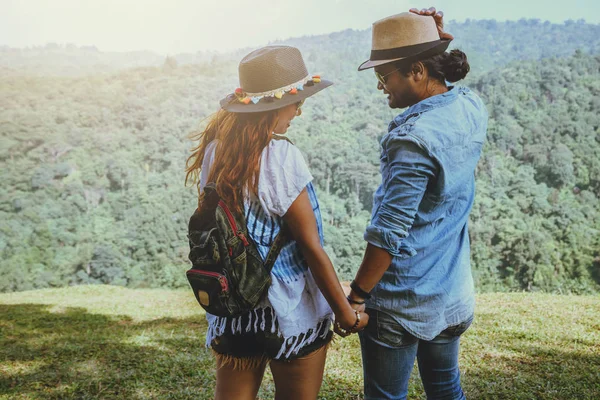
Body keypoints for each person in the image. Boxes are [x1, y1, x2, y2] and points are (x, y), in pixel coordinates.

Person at [185, 45, 368, 400]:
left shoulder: (215, 152)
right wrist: (346, 314)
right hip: (288, 311)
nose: (299, 111)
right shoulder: (282, 158)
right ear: (271, 107)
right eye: (296, 102)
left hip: (234, 305)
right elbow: (311, 249)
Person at [348, 8, 489, 400]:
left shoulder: (413, 139)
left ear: (417, 71)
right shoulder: (471, 107)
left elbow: (388, 232)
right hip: (452, 292)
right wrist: (438, 38)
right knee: (446, 389)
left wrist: (358, 296)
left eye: (383, 76)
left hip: (402, 302)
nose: (380, 86)